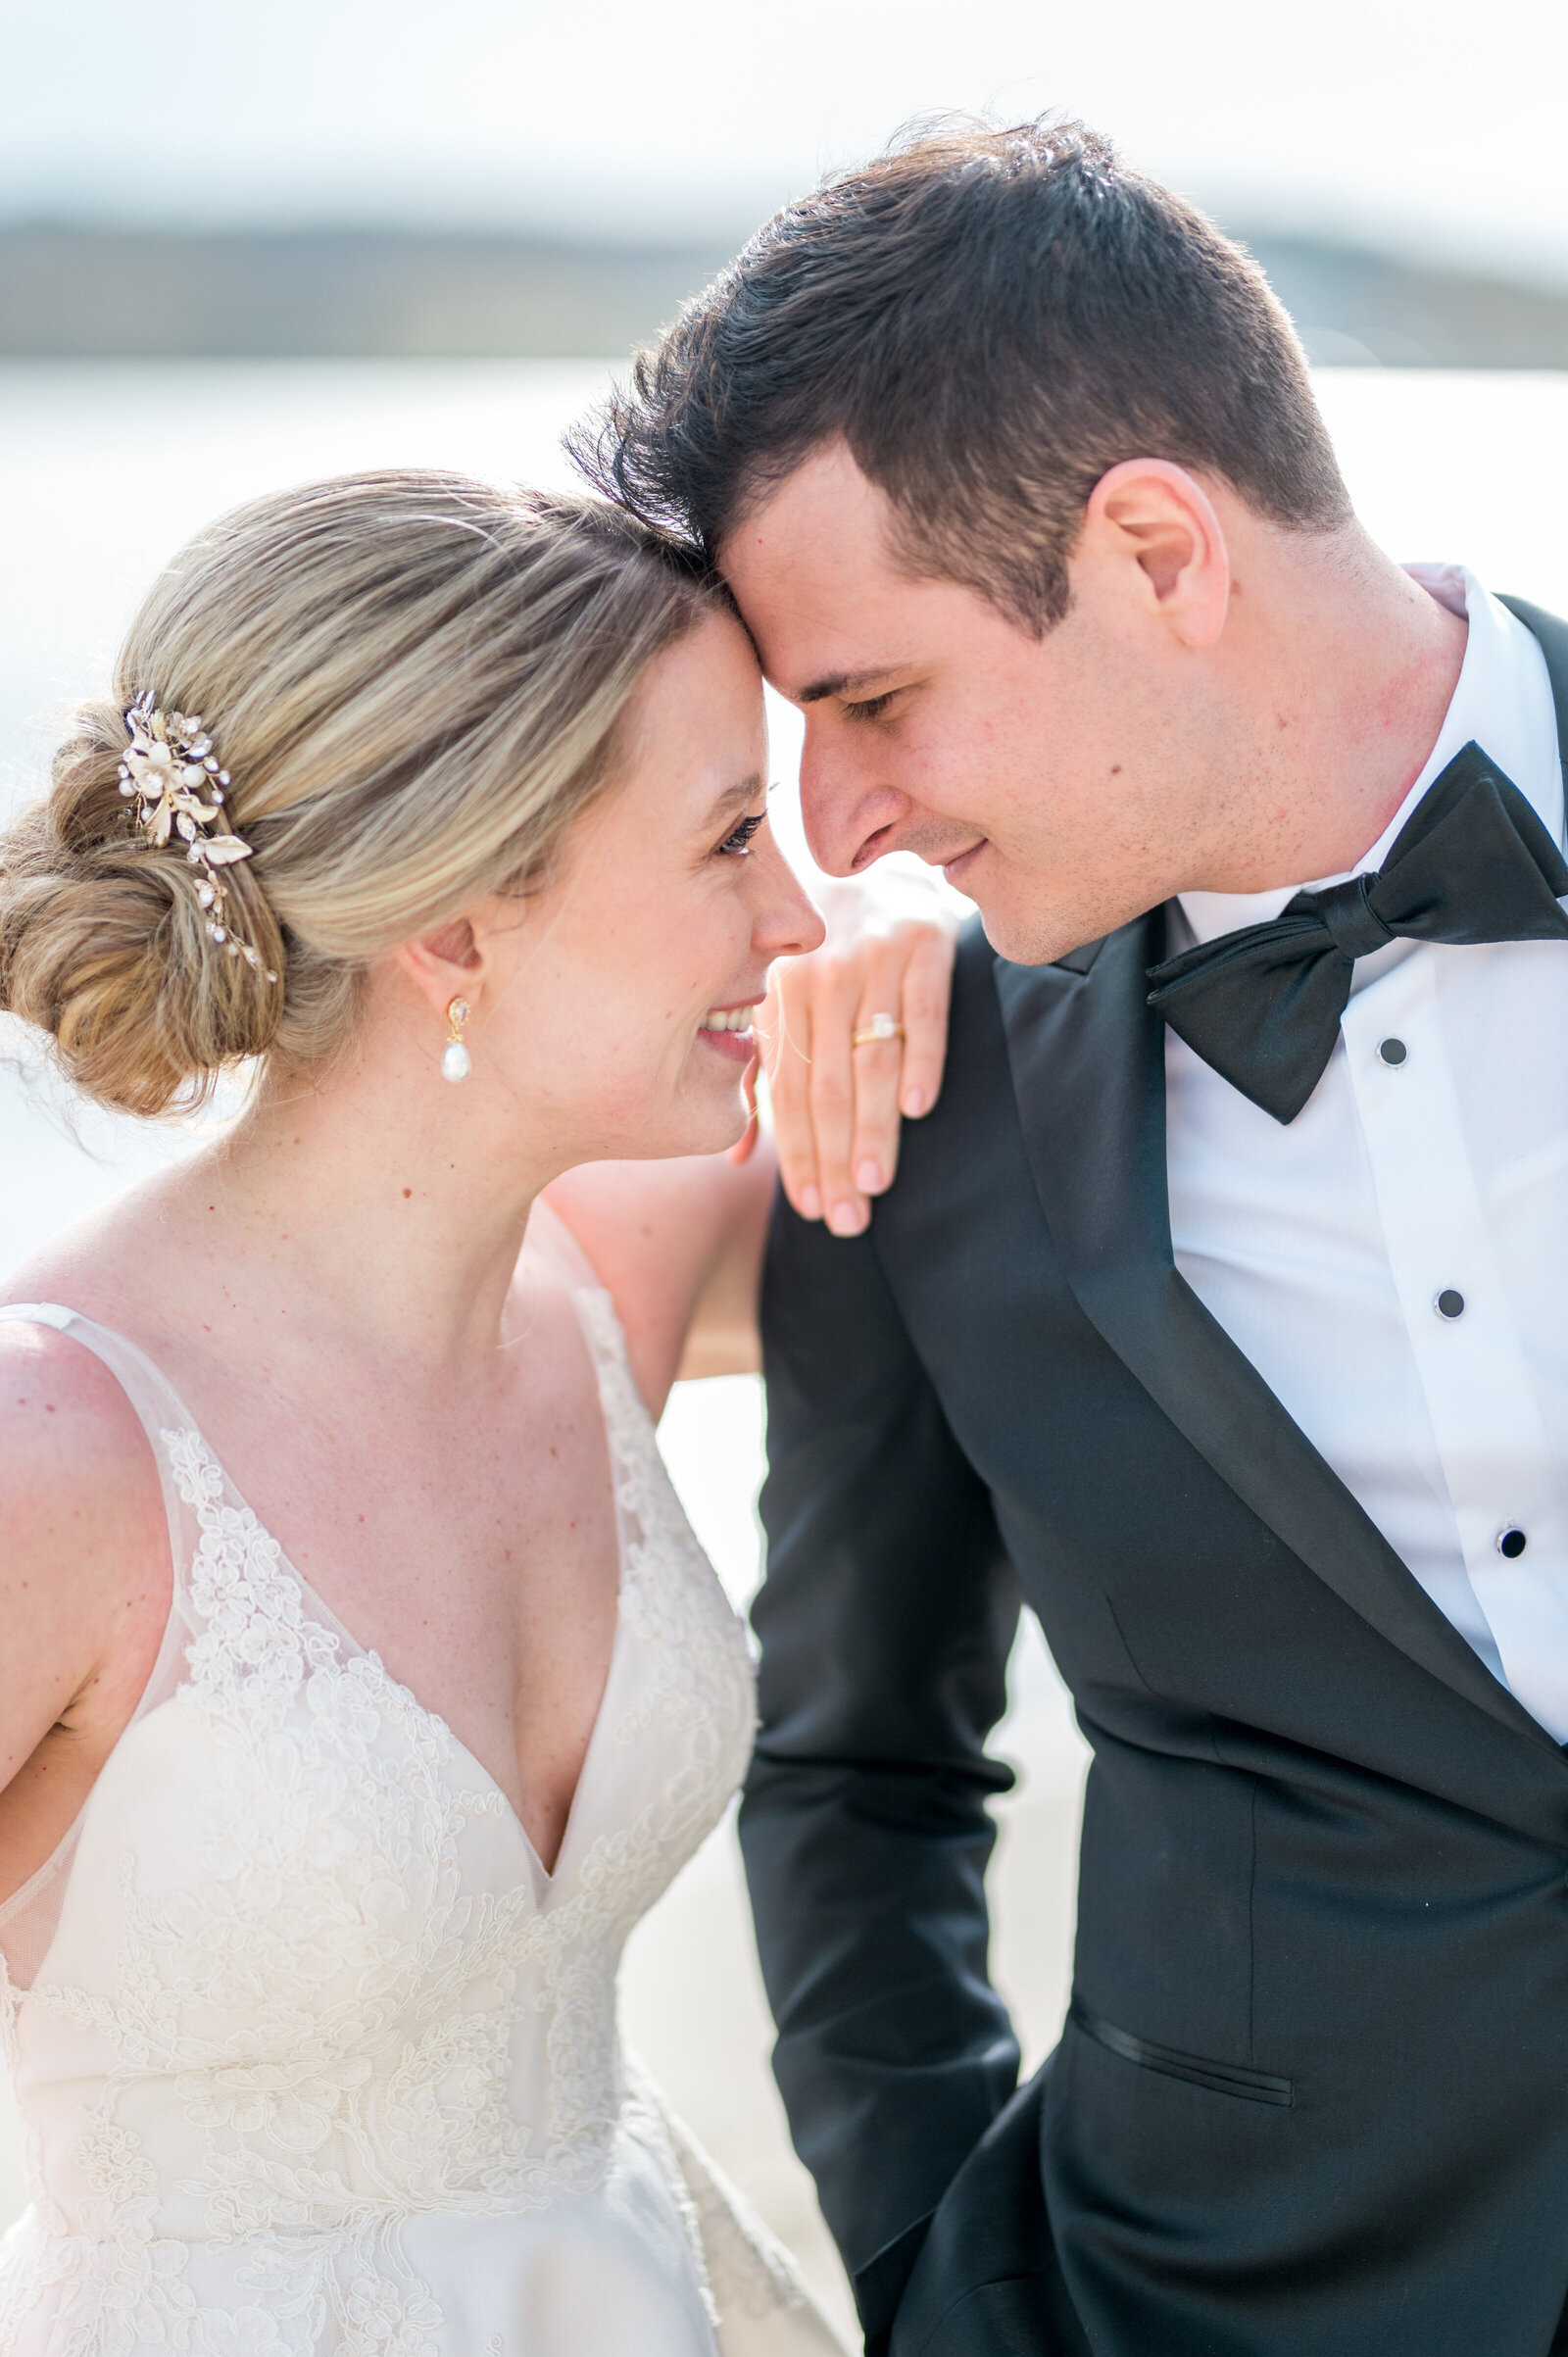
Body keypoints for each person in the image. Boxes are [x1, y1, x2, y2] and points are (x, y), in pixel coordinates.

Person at [583, 116, 1568, 2357]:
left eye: (871, 700)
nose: (836, 828)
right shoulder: (915, 1102)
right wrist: (948, 2284)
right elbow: (857, 1764)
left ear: (1150, 548)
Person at [0, 468, 956, 2357]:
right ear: (457, 927)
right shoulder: (59, 1452)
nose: (798, 911)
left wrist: (929, 945)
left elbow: (995, 1179)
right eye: (729, 841)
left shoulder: (613, 1270)